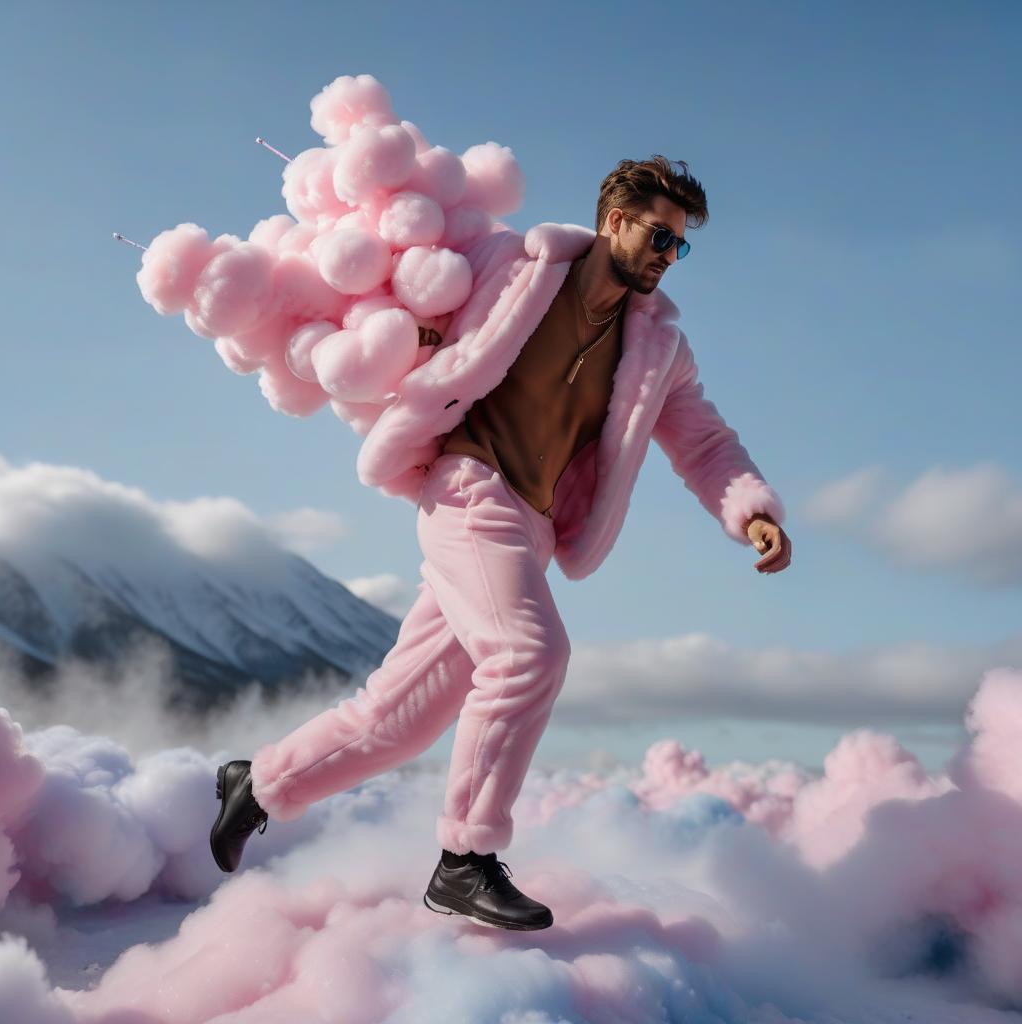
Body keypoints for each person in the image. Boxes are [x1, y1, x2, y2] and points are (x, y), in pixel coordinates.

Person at [209, 156, 793, 931]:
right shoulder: (513, 266)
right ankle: (465, 859)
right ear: (614, 220)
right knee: (529, 653)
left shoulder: (659, 351)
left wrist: (750, 509)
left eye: (680, 246)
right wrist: (405, 336)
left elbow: (705, 444)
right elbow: (414, 295)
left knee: (400, 718)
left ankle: (260, 783)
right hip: (464, 489)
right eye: (659, 235)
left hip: (533, 529)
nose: (667, 255)